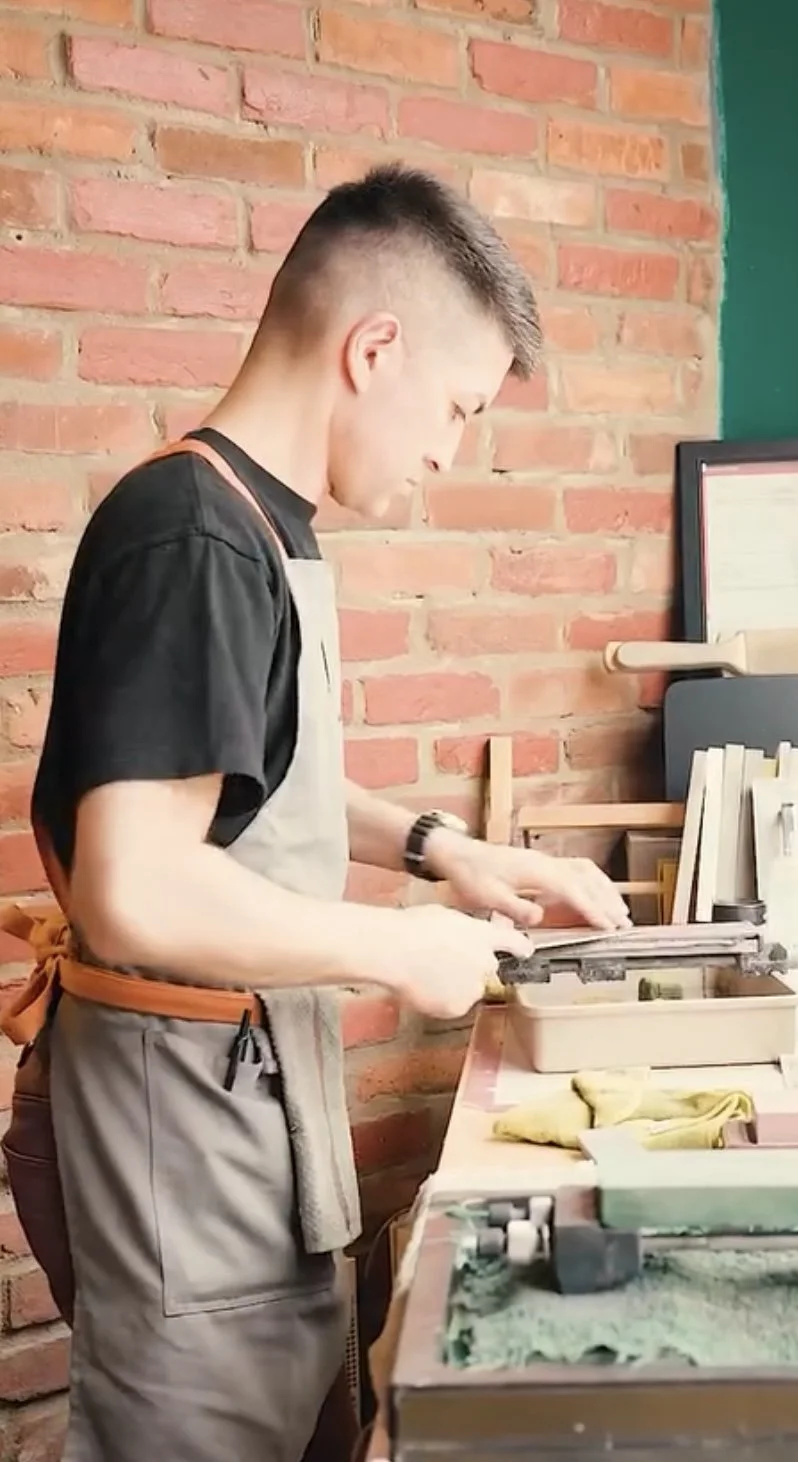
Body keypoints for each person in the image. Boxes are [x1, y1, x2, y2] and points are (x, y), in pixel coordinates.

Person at [0, 162, 631, 1462]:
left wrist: (444, 851)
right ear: (374, 347)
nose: (448, 451)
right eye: (455, 408)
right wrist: (398, 947)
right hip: (180, 1125)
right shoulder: (189, 534)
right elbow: (136, 881)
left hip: (250, 1104)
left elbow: (255, 778)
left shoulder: (265, 526)